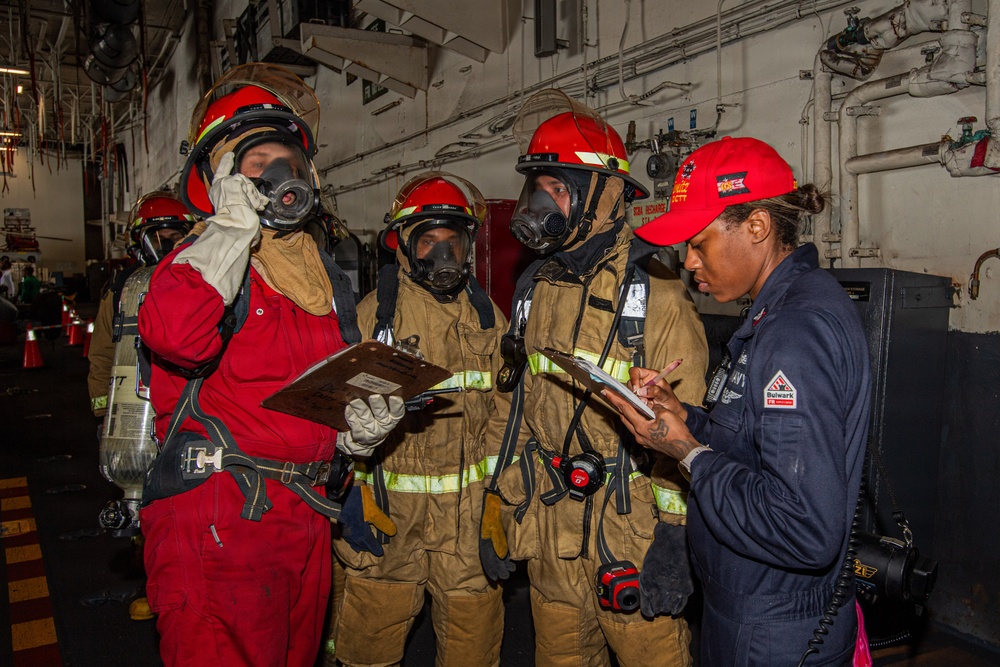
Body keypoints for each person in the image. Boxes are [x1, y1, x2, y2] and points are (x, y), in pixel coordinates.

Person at [136, 63, 404, 667]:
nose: (281, 175)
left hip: (304, 518)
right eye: (258, 165)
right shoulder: (198, 263)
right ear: (221, 180)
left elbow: (318, 390)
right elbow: (178, 337)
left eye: (290, 162)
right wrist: (231, 229)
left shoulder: (318, 276)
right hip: (219, 521)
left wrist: (354, 433)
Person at [607, 136, 872, 666]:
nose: (688, 262)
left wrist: (686, 452)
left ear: (757, 227)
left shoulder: (794, 332)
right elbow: (759, 446)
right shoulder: (783, 311)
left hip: (772, 629)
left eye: (700, 243)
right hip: (758, 609)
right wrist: (688, 420)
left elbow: (803, 526)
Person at [482, 89, 709, 667]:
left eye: (558, 188)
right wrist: (498, 500)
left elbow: (687, 434)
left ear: (604, 196)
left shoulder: (657, 294)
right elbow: (512, 406)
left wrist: (676, 537)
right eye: (539, 188)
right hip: (551, 526)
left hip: (630, 534)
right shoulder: (535, 287)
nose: (541, 203)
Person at [332, 172, 510, 667]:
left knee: (473, 653)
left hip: (467, 529)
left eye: (453, 241)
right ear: (403, 247)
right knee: (367, 652)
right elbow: (334, 417)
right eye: (427, 240)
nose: (442, 255)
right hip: (388, 523)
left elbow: (508, 415)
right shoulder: (372, 319)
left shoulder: (489, 321)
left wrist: (502, 498)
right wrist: (348, 492)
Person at [88, 192, 195, 421]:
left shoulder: (206, 282)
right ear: (139, 243)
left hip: (192, 406)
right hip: (136, 407)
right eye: (157, 238)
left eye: (174, 235)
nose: (166, 244)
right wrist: (102, 411)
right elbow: (102, 353)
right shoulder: (123, 289)